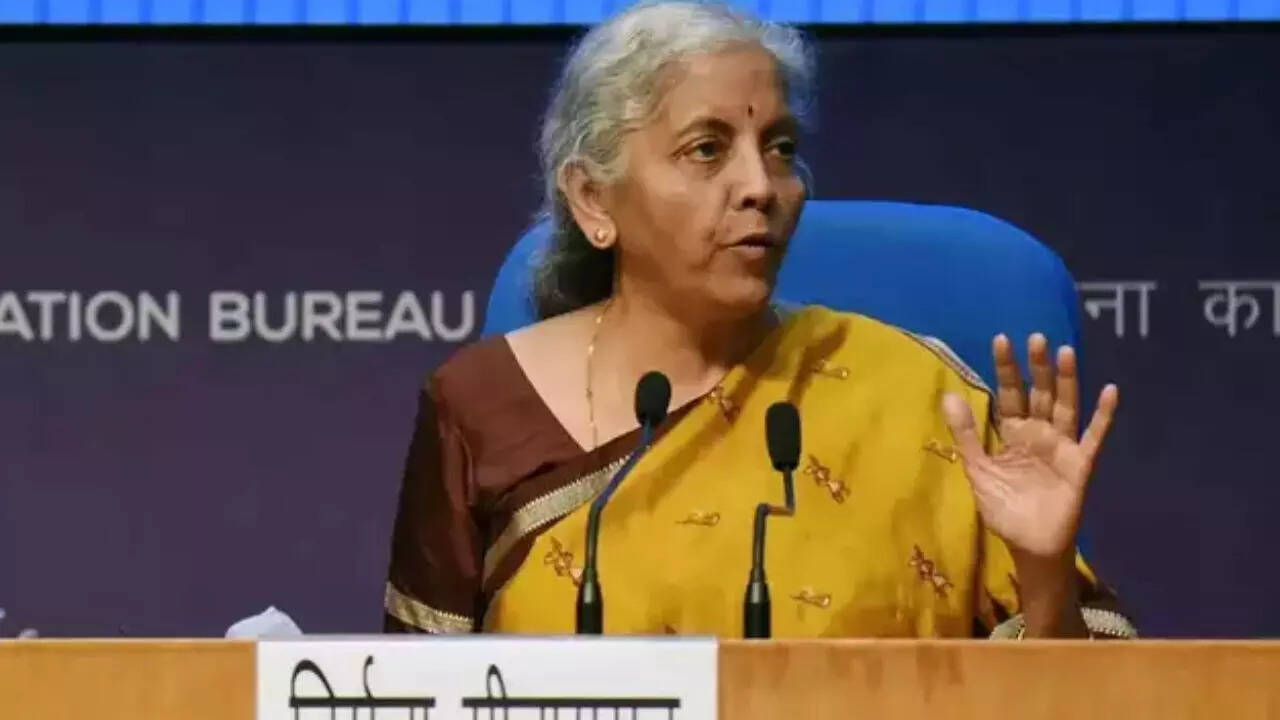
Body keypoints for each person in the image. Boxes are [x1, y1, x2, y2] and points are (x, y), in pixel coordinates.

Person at [383, 0, 1134, 639]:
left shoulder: (920, 398)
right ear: (593, 199)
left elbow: (1097, 697)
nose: (761, 186)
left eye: (780, 149)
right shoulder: (481, 408)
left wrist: (1043, 574)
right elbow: (408, 695)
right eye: (707, 149)